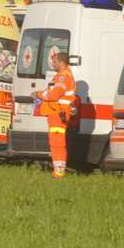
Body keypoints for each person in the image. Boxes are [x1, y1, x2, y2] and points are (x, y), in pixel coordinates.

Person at [39, 47, 79, 178]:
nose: (52, 64)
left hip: (58, 114)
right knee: (56, 143)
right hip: (56, 113)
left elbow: (53, 95)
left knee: (57, 144)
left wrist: (38, 94)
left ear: (60, 61)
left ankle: (59, 172)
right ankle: (58, 171)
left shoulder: (63, 76)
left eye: (54, 62)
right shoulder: (62, 75)